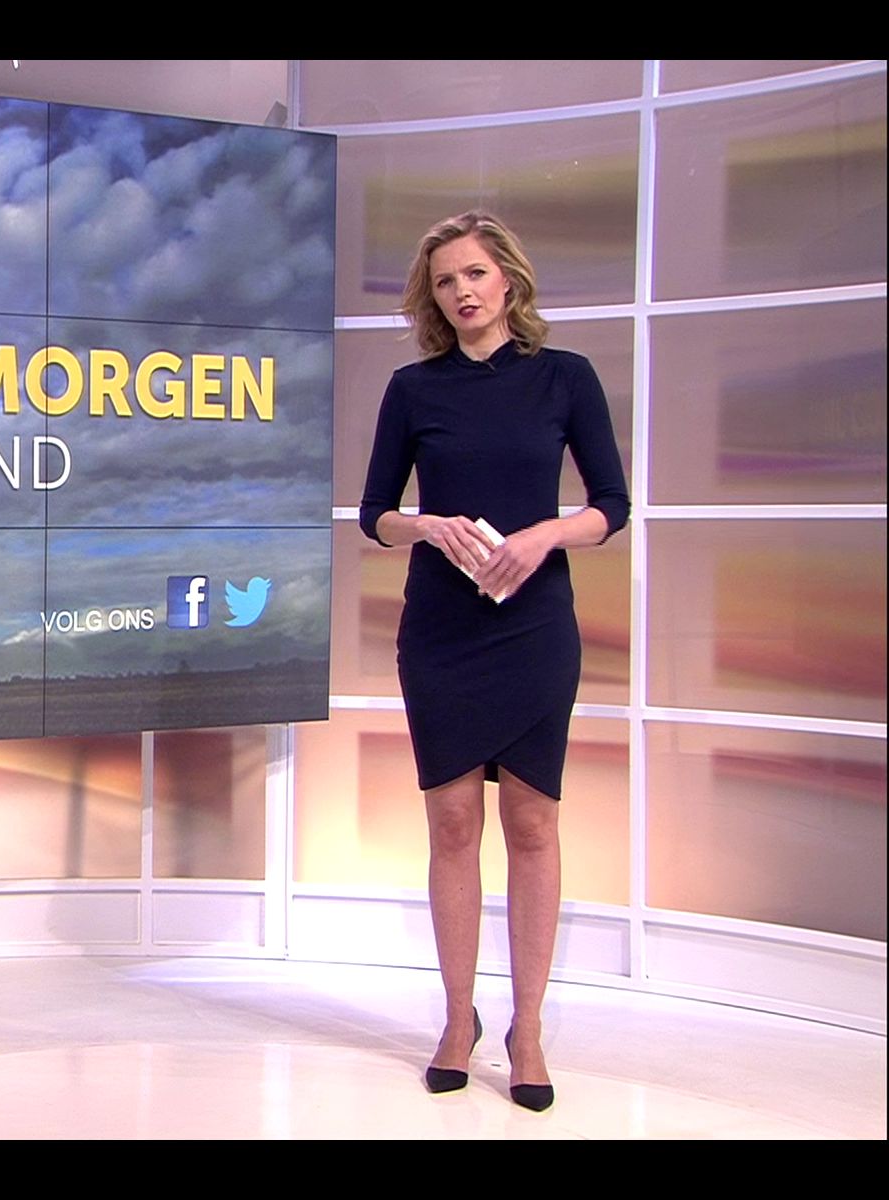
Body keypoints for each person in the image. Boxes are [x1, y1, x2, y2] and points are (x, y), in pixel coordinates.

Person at [357, 210, 630, 1112]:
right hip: (442, 629)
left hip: (534, 626)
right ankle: (455, 1019)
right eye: (444, 281)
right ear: (431, 298)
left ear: (508, 277)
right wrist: (423, 525)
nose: (461, 291)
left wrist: (546, 534)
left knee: (533, 824)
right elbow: (373, 513)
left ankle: (529, 1028)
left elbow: (612, 504)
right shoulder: (413, 388)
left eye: (474, 273)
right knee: (450, 824)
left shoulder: (564, 377)